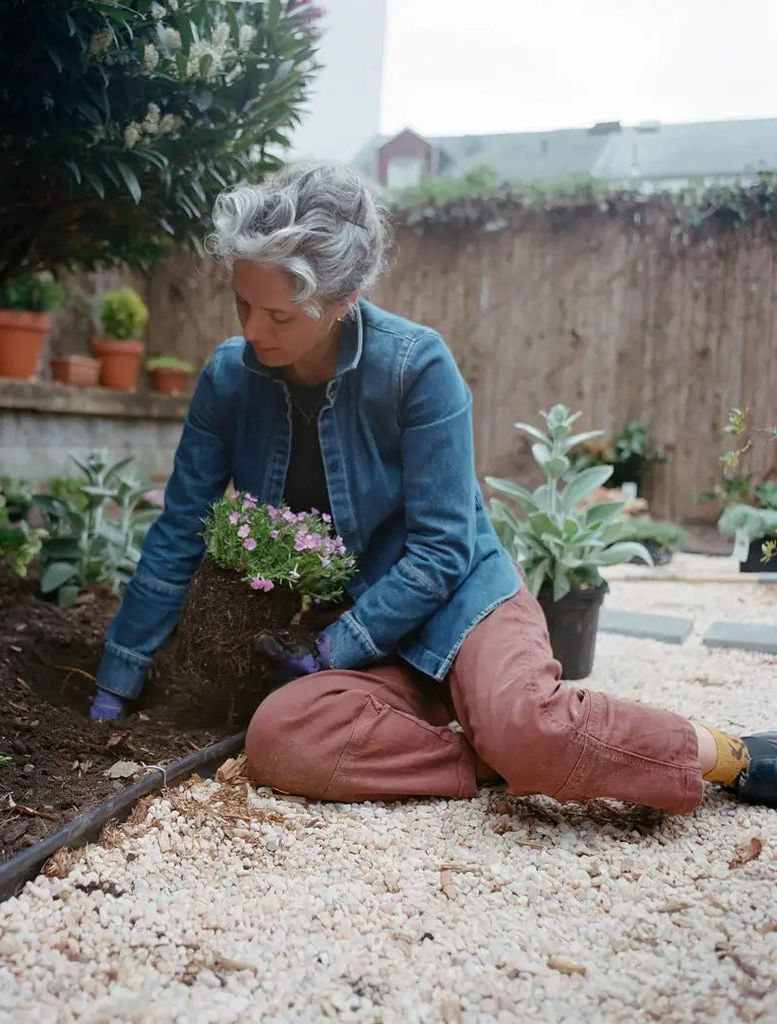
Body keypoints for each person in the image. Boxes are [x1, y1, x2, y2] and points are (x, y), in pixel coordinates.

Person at [90, 163, 776, 813]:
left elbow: (441, 553)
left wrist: (335, 650)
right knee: (280, 740)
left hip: (461, 607)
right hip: (365, 641)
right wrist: (117, 679)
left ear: (341, 300)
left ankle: (724, 755)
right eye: (241, 304)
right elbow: (179, 528)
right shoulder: (227, 380)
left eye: (277, 316)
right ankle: (486, 752)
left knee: (528, 731)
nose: (249, 332)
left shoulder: (414, 367)